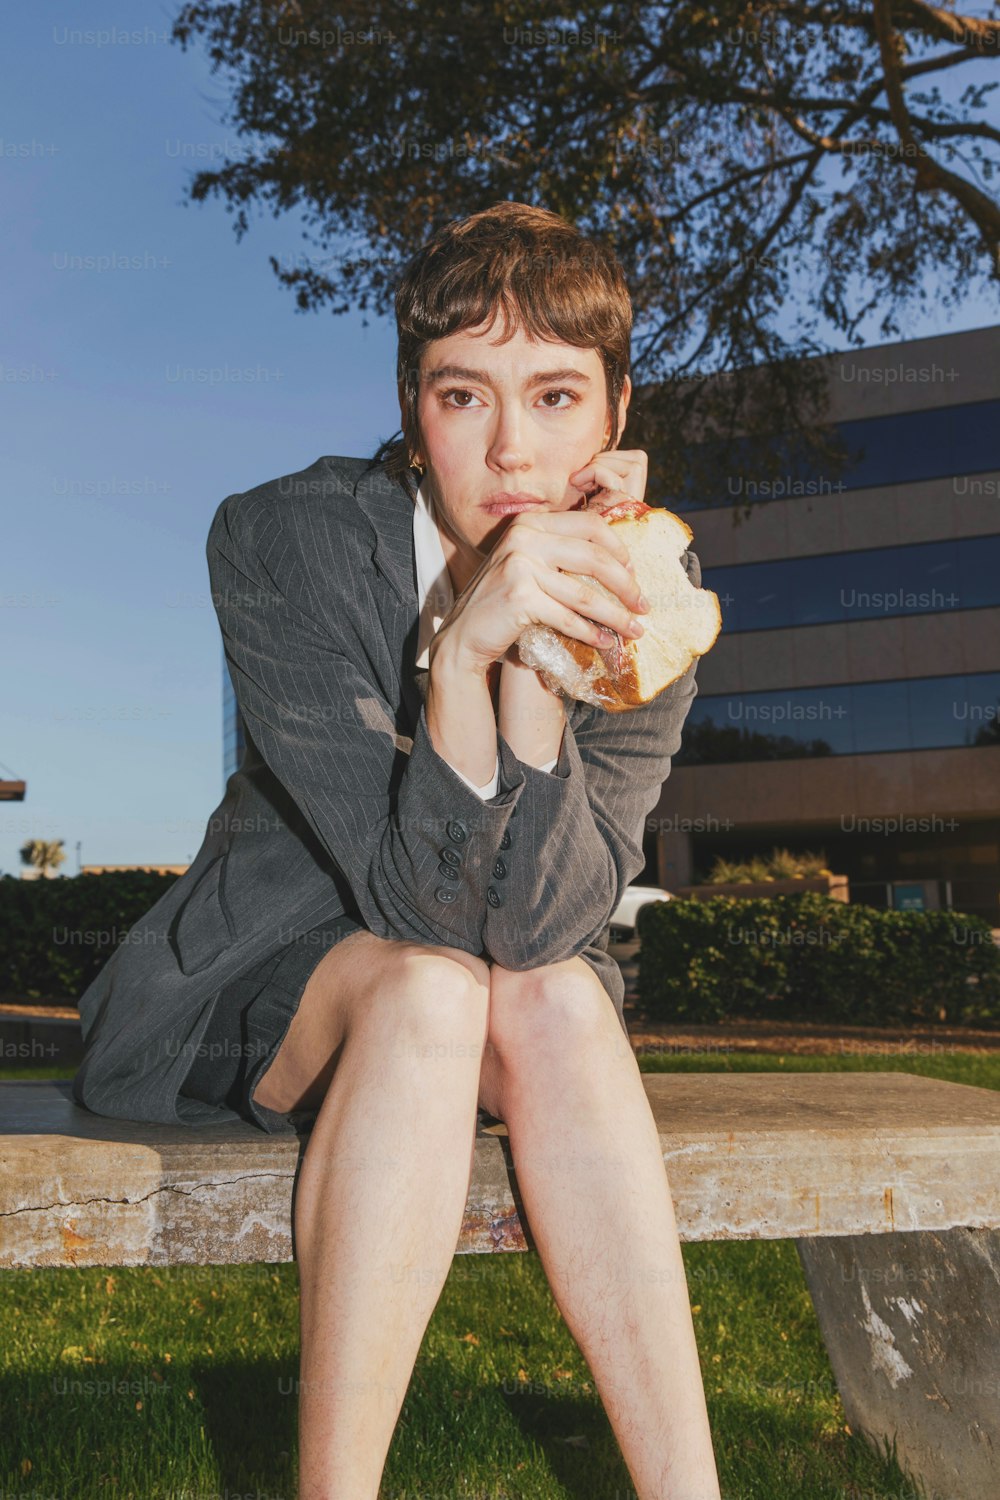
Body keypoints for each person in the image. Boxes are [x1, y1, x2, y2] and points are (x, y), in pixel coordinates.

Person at [73, 199, 721, 1499]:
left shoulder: (648, 601)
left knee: (557, 999)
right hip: (244, 995)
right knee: (433, 986)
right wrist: (466, 650)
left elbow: (540, 928)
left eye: (553, 398)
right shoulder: (284, 540)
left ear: (615, 415)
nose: (512, 451)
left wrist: (543, 665)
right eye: (462, 396)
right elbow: (403, 899)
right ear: (412, 410)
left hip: (490, 996)